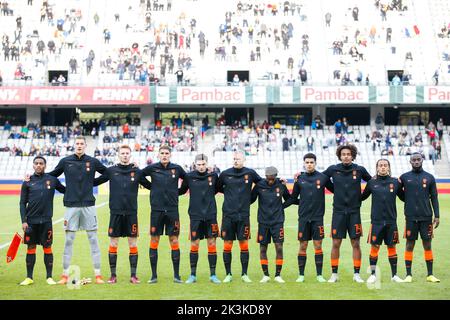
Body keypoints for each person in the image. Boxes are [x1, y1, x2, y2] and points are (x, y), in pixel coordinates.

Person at [44, 136, 107, 284]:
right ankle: (65, 275)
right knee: (69, 241)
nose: (79, 146)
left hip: (88, 205)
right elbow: (52, 176)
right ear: (74, 145)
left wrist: (93, 183)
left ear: (85, 146)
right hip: (71, 206)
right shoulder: (66, 161)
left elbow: (107, 173)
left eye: (81, 144)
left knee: (93, 239)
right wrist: (33, 177)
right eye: (77, 143)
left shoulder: (92, 161)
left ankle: (98, 275)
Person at [93, 145, 152, 284]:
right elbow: (95, 182)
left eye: (127, 153)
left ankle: (133, 276)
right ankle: (113, 276)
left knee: (132, 243)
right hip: (116, 213)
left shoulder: (137, 172)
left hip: (131, 213)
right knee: (113, 242)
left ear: (130, 155)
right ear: (118, 155)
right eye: (122, 153)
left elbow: (151, 186)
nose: (125, 155)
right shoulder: (111, 171)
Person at [323, 144, 372, 283]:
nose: (346, 156)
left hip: (354, 212)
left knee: (355, 243)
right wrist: (335, 190)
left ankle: (357, 274)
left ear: (352, 155)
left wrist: (362, 196)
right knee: (336, 243)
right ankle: (334, 274)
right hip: (338, 212)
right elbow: (320, 178)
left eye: (348, 154)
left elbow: (373, 181)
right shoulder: (333, 169)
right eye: (343, 154)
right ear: (340, 156)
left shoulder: (359, 169)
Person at [285, 153, 333, 283]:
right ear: (304, 163)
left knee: (318, 245)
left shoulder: (322, 178)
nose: (309, 164)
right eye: (307, 162)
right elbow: (293, 198)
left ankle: (319, 275)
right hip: (303, 218)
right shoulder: (299, 179)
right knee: (303, 245)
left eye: (311, 162)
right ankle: (301, 275)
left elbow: (335, 190)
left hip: (318, 218)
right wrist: (280, 206)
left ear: (315, 163)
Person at [19, 156, 66, 286]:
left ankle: (49, 277)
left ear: (45, 165)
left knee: (47, 247)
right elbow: (22, 203)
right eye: (36, 163)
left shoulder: (52, 180)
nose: (38, 165)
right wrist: (24, 221)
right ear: (33, 165)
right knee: (31, 247)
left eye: (41, 163)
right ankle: (29, 277)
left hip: (46, 221)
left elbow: (66, 191)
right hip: (31, 222)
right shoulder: (27, 182)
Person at [142, 145, 186, 283]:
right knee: (154, 240)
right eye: (162, 153)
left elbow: (187, 180)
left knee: (174, 239)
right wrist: (151, 187)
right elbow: (140, 176)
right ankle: (153, 276)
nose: (164, 155)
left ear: (170, 155)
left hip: (173, 210)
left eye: (167, 153)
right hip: (157, 210)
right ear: (158, 155)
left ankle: (177, 275)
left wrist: (178, 192)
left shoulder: (177, 169)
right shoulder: (152, 168)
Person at [217, 151, 262, 283]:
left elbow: (261, 184)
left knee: (244, 243)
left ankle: (244, 274)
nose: (236, 161)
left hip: (243, 216)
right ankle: (228, 274)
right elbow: (218, 188)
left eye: (238, 159)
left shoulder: (250, 173)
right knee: (227, 244)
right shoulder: (225, 174)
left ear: (244, 160)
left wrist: (251, 198)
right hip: (228, 215)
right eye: (234, 159)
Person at [178, 154, 221, 284]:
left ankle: (213, 275)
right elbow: (181, 191)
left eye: (203, 164)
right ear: (194, 164)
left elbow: (219, 189)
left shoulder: (213, 176)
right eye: (199, 164)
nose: (201, 167)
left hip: (211, 215)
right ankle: (193, 275)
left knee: (212, 244)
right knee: (194, 244)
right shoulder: (189, 177)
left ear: (207, 164)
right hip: (195, 216)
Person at [361, 159, 405, 284]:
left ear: (389, 167)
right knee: (375, 247)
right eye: (381, 165)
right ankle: (373, 275)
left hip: (391, 221)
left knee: (392, 246)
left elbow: (404, 198)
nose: (383, 167)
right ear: (377, 168)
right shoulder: (371, 182)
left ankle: (394, 275)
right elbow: (362, 197)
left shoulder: (396, 182)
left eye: (385, 165)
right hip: (376, 222)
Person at [399, 153, 440, 283]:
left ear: (422, 160)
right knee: (409, 244)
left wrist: (437, 215)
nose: (416, 162)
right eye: (414, 160)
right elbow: (399, 193)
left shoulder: (429, 177)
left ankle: (430, 274)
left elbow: (434, 197)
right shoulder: (404, 177)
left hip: (426, 217)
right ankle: (408, 275)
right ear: (410, 161)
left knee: (427, 244)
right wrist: (408, 201)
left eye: (418, 159)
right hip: (410, 217)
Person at [251, 166, 290, 283]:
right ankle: (266, 275)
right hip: (263, 222)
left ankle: (278, 275)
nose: (270, 180)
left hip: (278, 222)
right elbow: (250, 199)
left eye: (273, 178)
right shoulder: (259, 186)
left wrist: (281, 207)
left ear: (276, 176)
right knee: (263, 248)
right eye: (268, 178)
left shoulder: (281, 185)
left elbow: (289, 199)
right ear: (265, 176)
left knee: (279, 247)